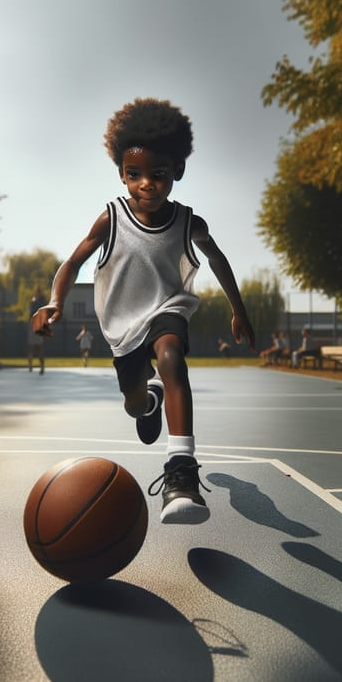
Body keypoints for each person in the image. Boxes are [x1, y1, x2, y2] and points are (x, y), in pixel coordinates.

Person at [32, 98, 255, 525]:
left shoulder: (189, 222)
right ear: (121, 174)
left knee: (172, 358)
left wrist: (238, 309)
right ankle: (147, 401)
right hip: (121, 326)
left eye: (159, 175)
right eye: (135, 175)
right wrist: (54, 301)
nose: (146, 184)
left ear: (177, 172)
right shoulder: (112, 217)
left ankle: (181, 473)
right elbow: (73, 262)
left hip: (168, 310)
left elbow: (218, 259)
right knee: (134, 403)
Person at [28, 287, 46, 375]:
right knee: (31, 347)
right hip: (33, 325)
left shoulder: (41, 302)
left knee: (39, 348)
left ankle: (42, 367)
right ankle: (31, 366)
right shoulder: (33, 301)